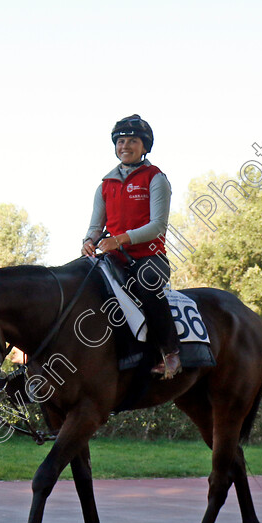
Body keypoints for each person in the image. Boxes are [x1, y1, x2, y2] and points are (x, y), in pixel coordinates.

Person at [81, 114, 181, 379]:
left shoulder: (156, 178)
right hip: (113, 258)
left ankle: (170, 353)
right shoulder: (105, 185)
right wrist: (89, 242)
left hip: (150, 259)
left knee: (147, 286)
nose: (125, 146)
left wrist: (120, 239)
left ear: (145, 146)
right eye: (120, 141)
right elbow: (95, 226)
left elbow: (157, 226)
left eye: (132, 140)